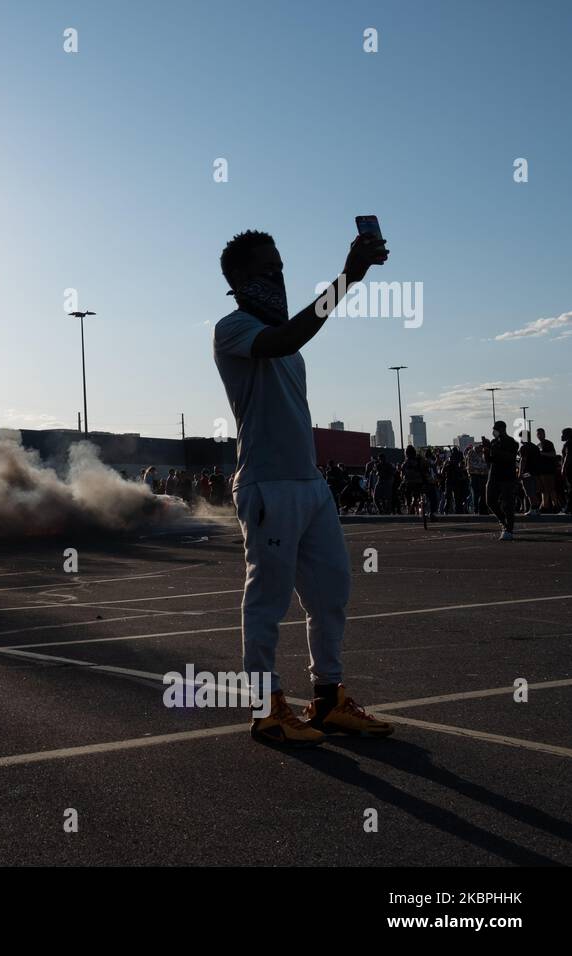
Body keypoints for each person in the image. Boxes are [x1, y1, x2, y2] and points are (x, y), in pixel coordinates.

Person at [212, 227, 392, 745]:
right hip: (268, 487)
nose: (278, 275)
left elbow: (292, 338)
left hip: (310, 486)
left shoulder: (290, 344)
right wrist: (346, 280)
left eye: (281, 266)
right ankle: (267, 708)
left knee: (331, 593)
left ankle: (329, 697)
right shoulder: (234, 329)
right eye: (268, 269)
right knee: (267, 601)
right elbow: (287, 337)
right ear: (241, 280)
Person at [482, 420, 519, 540]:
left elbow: (510, 457)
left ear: (503, 429)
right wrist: (486, 451)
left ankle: (509, 529)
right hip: (493, 475)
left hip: (507, 476)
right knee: (490, 500)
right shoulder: (493, 442)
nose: (494, 431)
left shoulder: (511, 442)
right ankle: (503, 521)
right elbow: (489, 460)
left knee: (508, 503)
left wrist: (493, 449)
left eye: (496, 429)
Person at [535, 428, 563, 512]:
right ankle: (545, 505)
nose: (539, 435)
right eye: (538, 434)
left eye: (541, 433)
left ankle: (555, 505)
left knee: (550, 489)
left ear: (544, 434)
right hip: (541, 470)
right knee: (543, 489)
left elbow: (553, 454)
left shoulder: (548, 443)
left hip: (548, 470)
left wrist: (541, 453)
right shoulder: (538, 445)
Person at [466, 442, 489, 514]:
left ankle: (482, 509)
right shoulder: (471, 453)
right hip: (474, 475)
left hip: (482, 476)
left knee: (483, 493)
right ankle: (476, 509)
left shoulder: (483, 453)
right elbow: (473, 465)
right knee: (476, 494)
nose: (481, 448)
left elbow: (485, 465)